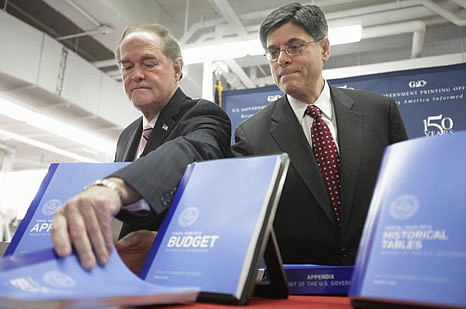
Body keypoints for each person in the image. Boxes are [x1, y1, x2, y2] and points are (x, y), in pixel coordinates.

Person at [231, 3, 408, 265]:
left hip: (381, 272)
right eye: (273, 52)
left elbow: (405, 192)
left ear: (324, 48)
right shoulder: (251, 136)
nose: (282, 59)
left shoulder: (379, 112)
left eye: (294, 46)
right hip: (301, 291)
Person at [51, 23, 231, 271]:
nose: (136, 75)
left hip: (177, 271)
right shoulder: (127, 135)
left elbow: (191, 149)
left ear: (177, 69)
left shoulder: (202, 114)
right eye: (127, 66)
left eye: (148, 63)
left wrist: (114, 187)